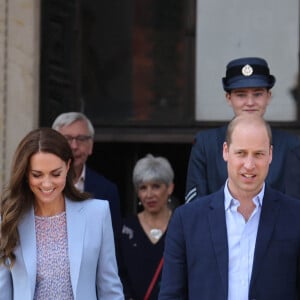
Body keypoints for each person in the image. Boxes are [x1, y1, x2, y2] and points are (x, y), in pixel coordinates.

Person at [159, 115, 300, 299]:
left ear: (270, 155)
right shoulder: (187, 220)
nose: (249, 165)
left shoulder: (295, 216)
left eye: (258, 154)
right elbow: (171, 295)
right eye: (241, 153)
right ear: (225, 151)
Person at [0, 128, 124, 299]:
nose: (47, 183)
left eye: (55, 174)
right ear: (25, 174)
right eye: (37, 175)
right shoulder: (9, 218)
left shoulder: (97, 213)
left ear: (67, 166)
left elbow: (110, 288)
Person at [185, 57, 300, 203]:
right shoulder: (205, 144)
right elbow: (195, 211)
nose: (250, 102)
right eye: (241, 95)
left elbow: (294, 210)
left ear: (268, 97)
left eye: (258, 94)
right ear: (228, 98)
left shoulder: (291, 145)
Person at [52, 112, 122, 242]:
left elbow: (112, 243)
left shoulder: (107, 190)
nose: (74, 146)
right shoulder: (40, 185)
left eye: (81, 139)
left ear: (91, 146)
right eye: (67, 139)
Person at [121, 154, 175, 300]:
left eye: (156, 186)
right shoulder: (124, 229)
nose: (149, 194)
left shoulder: (181, 226)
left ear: (170, 188)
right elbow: (117, 275)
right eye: (143, 188)